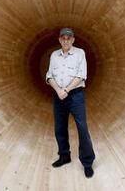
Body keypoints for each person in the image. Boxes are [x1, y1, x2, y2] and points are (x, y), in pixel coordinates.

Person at [45, 27, 96, 178]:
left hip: (75, 96)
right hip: (58, 96)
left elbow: (81, 75)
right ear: (60, 40)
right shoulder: (54, 55)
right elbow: (49, 75)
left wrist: (65, 90)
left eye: (69, 38)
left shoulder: (80, 53)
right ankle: (64, 156)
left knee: (82, 129)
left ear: (73, 40)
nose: (66, 41)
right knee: (59, 128)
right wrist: (58, 90)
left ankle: (87, 162)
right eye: (63, 38)